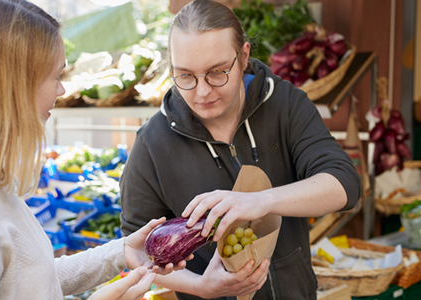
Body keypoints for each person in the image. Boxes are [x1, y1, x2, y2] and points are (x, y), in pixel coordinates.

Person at [0, 0, 190, 299]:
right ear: (12, 88)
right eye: (56, 76)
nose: (63, 90)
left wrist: (120, 252)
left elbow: (32, 279)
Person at [119, 0, 361, 299]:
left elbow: (345, 184)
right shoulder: (152, 144)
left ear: (243, 56)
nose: (203, 91)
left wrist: (262, 201)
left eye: (217, 71)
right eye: (185, 76)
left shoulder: (285, 104)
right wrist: (203, 288)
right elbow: (138, 250)